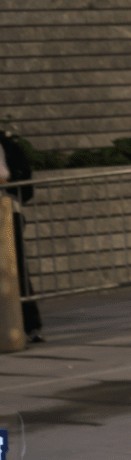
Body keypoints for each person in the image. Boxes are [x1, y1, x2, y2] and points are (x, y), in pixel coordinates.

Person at [0, 130, 42, 341]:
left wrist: (11, 187)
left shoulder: (8, 147)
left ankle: (30, 325)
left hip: (8, 213)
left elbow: (25, 182)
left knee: (17, 269)